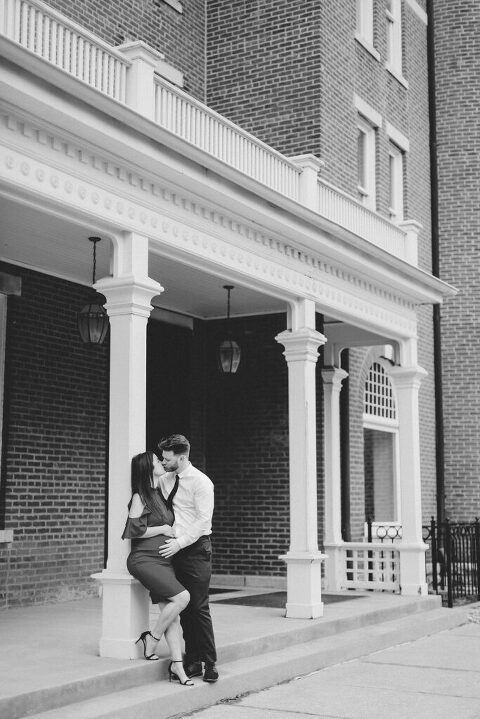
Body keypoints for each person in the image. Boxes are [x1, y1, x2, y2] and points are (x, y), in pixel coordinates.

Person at [121, 450, 193, 686]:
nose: (161, 462)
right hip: (144, 560)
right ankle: (152, 638)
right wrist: (162, 530)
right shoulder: (140, 496)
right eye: (156, 460)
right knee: (182, 598)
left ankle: (177, 665)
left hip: (163, 561)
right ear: (147, 468)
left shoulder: (159, 495)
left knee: (173, 617)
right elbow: (133, 530)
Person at [157, 434, 219, 683]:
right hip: (174, 549)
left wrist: (180, 543)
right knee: (183, 607)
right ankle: (193, 661)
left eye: (167, 458)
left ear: (182, 458)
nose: (163, 462)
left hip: (195, 549)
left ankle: (210, 662)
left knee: (199, 607)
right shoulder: (164, 480)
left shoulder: (201, 482)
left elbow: (203, 520)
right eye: (162, 458)